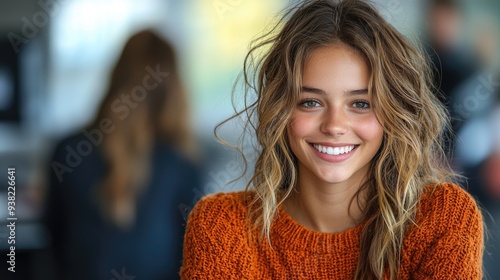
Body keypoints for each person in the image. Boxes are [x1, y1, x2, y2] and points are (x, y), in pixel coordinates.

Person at [180, 0, 484, 279]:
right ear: (280, 110)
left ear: (393, 114)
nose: (335, 126)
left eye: (361, 104)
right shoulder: (222, 227)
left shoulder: (442, 219)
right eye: (310, 102)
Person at [45, 30, 202, 280]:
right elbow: (192, 257)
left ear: (116, 77)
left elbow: (55, 242)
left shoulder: (67, 150)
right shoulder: (182, 162)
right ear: (174, 88)